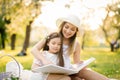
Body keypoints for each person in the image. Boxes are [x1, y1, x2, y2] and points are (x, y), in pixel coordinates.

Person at [31, 15, 110, 80]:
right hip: (50, 70)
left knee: (85, 71)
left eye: (72, 29)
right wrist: (44, 61)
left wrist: (81, 64)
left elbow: (76, 64)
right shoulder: (53, 36)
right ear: (62, 26)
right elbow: (34, 50)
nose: (68, 31)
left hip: (65, 70)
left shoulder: (76, 44)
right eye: (66, 27)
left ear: (76, 31)